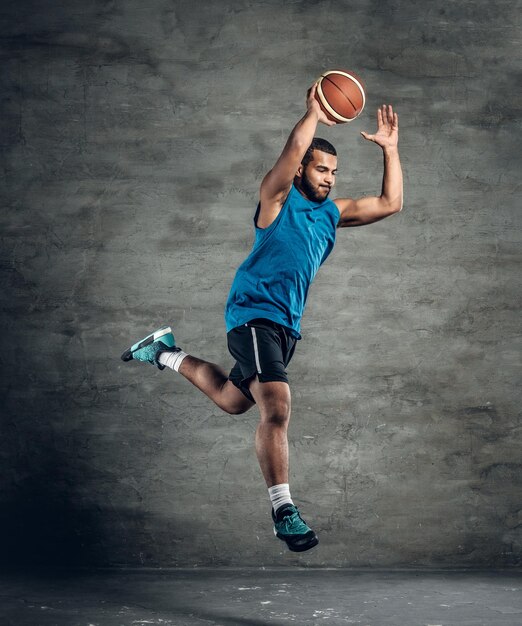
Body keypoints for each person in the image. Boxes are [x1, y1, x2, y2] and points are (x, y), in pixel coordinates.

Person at [121, 82, 403, 552]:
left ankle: (163, 352)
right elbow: (292, 151)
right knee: (278, 408)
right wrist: (312, 114)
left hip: (284, 326)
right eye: (320, 168)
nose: (330, 178)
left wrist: (391, 150)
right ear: (299, 173)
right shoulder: (276, 201)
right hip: (253, 315)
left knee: (234, 400)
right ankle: (284, 510)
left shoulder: (332, 215)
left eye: (334, 171)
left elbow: (391, 203)